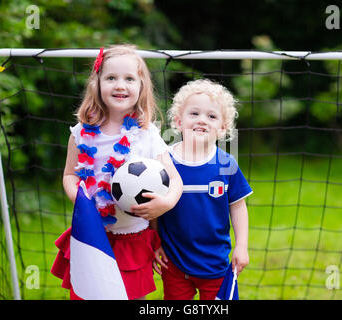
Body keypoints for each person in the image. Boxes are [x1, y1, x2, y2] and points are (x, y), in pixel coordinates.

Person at [51, 44, 183, 300]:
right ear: (97, 83)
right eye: (111, 78)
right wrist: (80, 200)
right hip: (90, 234)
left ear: (141, 86)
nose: (120, 85)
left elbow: (175, 179)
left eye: (129, 79)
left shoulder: (147, 134)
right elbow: (69, 175)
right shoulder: (80, 133)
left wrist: (165, 203)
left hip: (132, 237)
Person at [154, 79, 252, 300]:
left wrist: (242, 247)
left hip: (216, 264)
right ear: (178, 121)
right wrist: (155, 241)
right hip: (175, 263)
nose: (202, 120)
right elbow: (155, 207)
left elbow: (238, 207)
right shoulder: (163, 162)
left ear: (223, 127)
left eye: (212, 116)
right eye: (194, 113)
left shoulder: (226, 165)